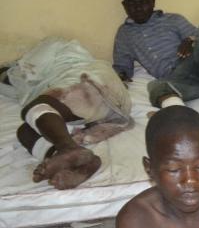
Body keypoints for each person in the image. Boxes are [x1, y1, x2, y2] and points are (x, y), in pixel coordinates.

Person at [1, 38, 133, 189]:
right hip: (114, 103)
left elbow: (25, 73)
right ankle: (80, 163)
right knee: (25, 131)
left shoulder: (58, 46)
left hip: (88, 83)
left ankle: (67, 147)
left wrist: (10, 71)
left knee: (35, 108)